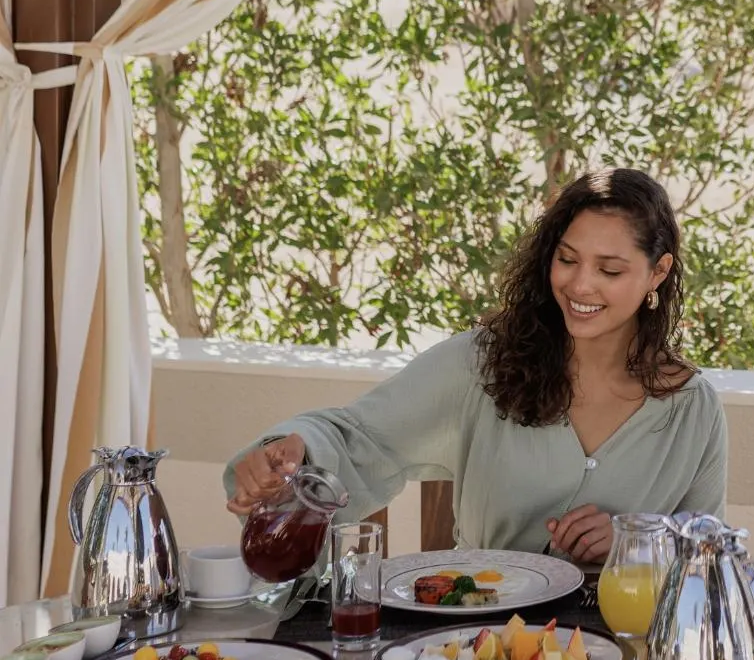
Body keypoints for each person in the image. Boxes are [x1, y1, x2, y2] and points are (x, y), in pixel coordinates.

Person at [225, 168, 727, 563]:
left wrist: (635, 543)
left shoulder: (690, 409)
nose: (580, 286)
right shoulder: (484, 363)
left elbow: (711, 553)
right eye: (567, 259)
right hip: (483, 649)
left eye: (610, 270)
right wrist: (291, 449)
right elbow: (361, 436)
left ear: (658, 271)